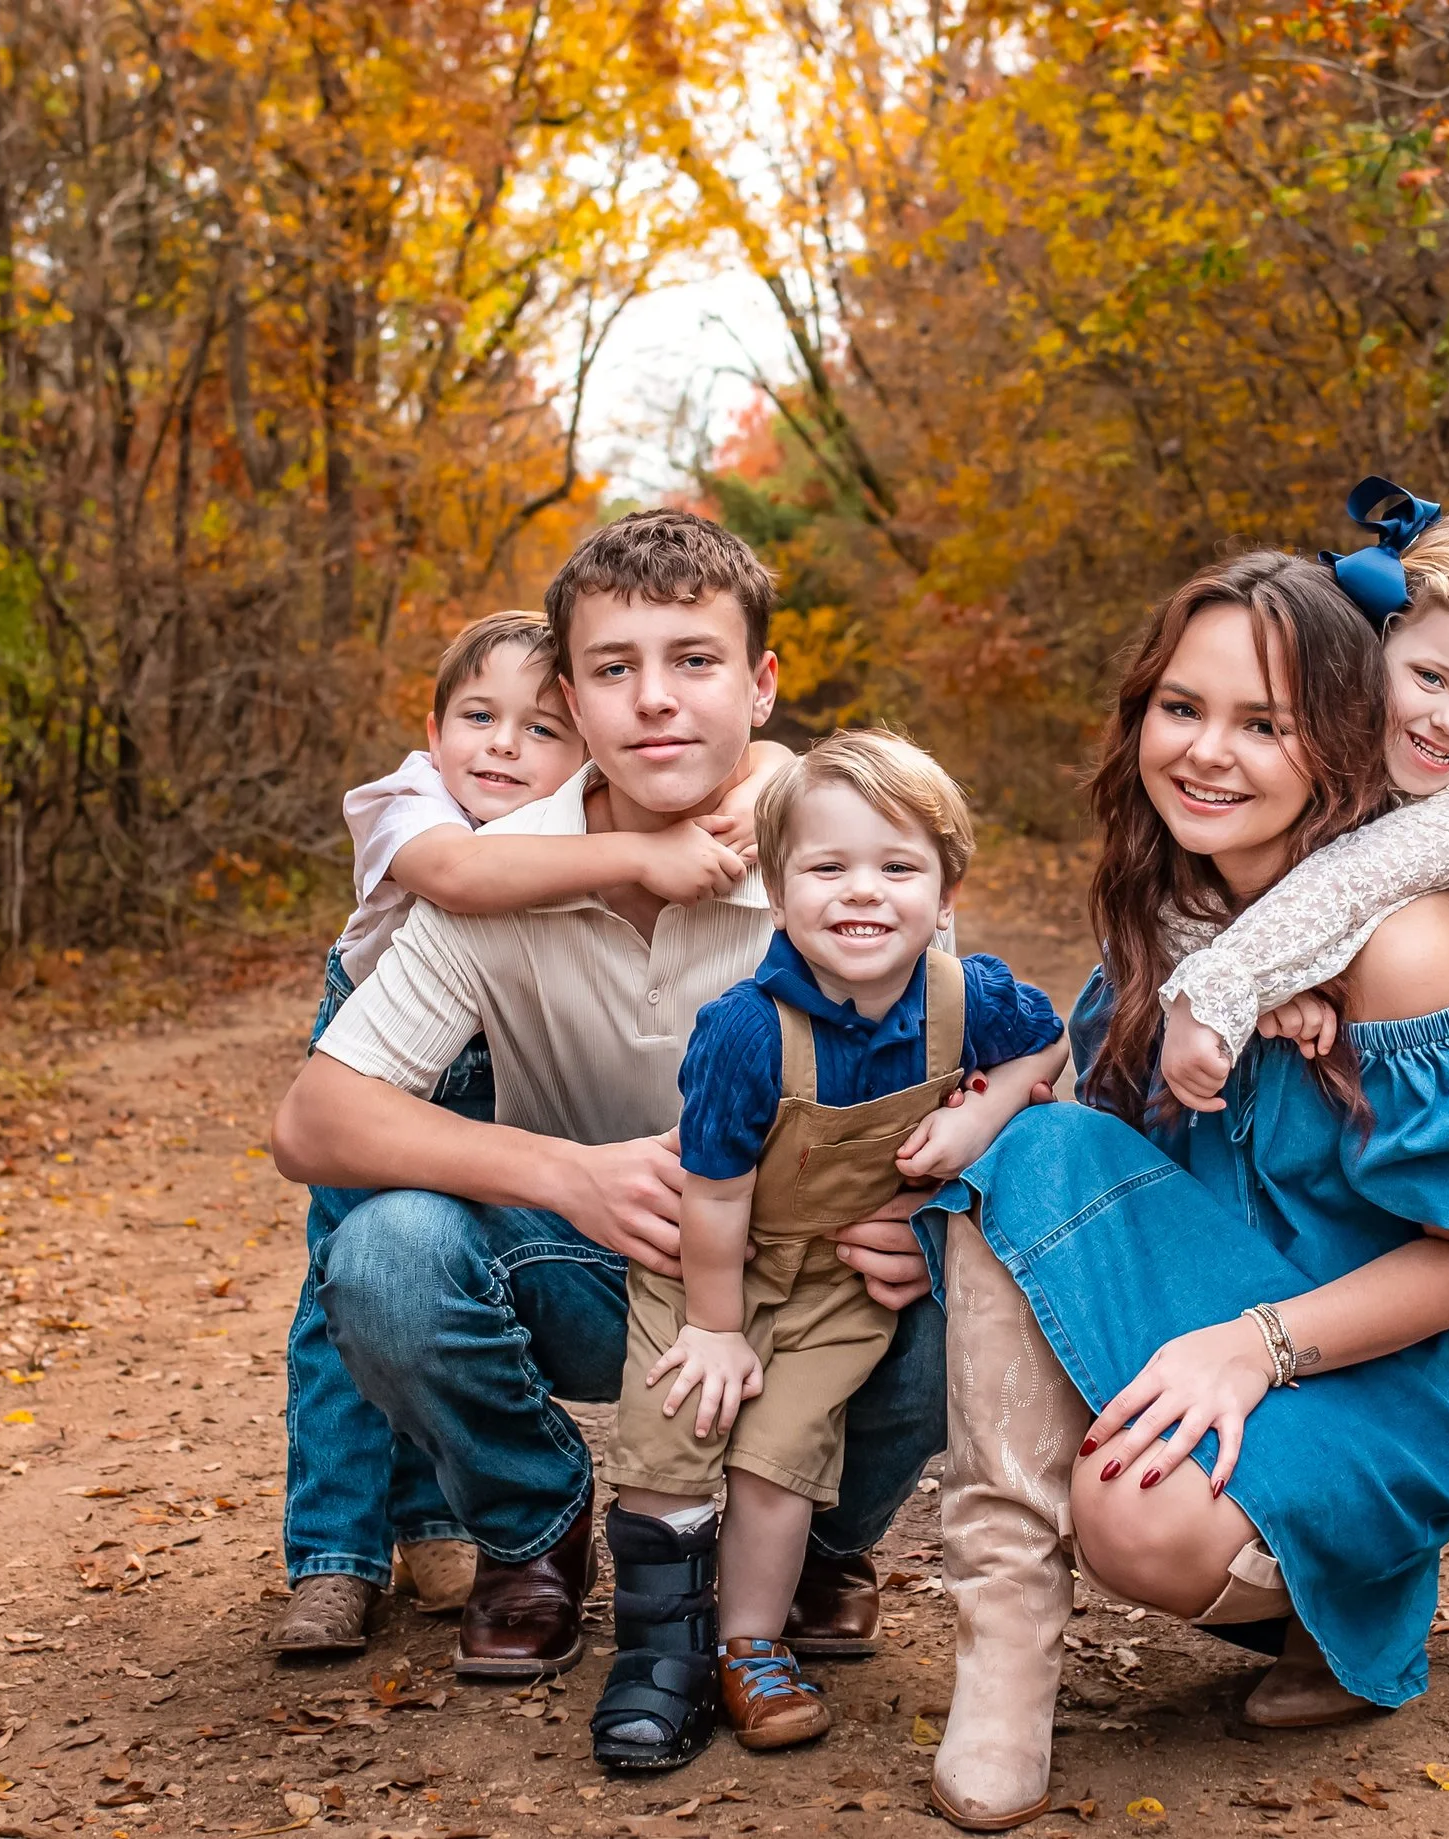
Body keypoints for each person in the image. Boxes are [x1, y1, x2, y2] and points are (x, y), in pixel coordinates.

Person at [918, 551, 1449, 1830]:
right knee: (1027, 1155)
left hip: (1379, 1376)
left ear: (1336, 742)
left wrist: (1251, 1346)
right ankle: (1002, 1649)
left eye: (1264, 724)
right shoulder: (1172, 913)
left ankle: (1365, 1580)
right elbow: (1108, 1155)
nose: (1208, 754)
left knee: (1141, 1522)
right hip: (1223, 1291)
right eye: (1183, 708)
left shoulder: (1408, 945)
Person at [269, 511, 945, 1686]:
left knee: (970, 1276)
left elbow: (981, 1087)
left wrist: (937, 1217)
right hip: (588, 1263)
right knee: (381, 1254)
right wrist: (564, 1173)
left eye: (695, 660)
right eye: (614, 669)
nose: (656, 701)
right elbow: (313, 1123)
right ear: (575, 705)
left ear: (762, 684)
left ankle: (820, 1542)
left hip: (803, 1279)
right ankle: (533, 1530)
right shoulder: (501, 873)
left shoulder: (846, 863)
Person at [1154, 486, 1449, 1679]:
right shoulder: (1343, 746)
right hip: (1389, 1017)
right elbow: (1257, 894)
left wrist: (1221, 992)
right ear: (1379, 653)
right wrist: (1288, 989)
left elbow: (1346, 886)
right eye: (1427, 677)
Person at [276, 609, 779, 1655]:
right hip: (389, 1047)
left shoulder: (798, 829)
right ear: (431, 725)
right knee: (364, 1273)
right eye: (477, 717)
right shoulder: (421, 813)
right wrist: (638, 853)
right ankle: (343, 1551)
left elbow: (756, 748)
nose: (504, 747)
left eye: (540, 728)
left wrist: (768, 770)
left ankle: (805, 1546)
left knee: (935, 1242)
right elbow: (457, 879)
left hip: (502, 1079)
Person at [593, 730, 1067, 1768]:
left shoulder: (966, 998)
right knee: (679, 1430)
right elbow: (712, 1199)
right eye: (827, 867)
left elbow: (1046, 1044)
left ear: (945, 891)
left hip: (841, 1284)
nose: (863, 894)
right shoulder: (743, 1030)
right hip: (711, 1266)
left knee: (780, 1457)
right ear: (774, 885)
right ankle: (655, 1657)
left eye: (898, 867)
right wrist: (716, 1329)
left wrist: (985, 1117)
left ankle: (748, 1647)